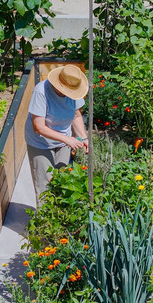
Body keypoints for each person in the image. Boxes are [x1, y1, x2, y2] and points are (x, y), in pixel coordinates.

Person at [25, 64, 89, 206]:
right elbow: (39, 127)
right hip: (40, 143)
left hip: (63, 141)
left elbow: (76, 116)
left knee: (63, 180)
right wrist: (68, 139)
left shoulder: (73, 92)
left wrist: (83, 137)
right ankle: (43, 224)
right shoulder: (41, 91)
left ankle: (60, 219)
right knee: (44, 185)